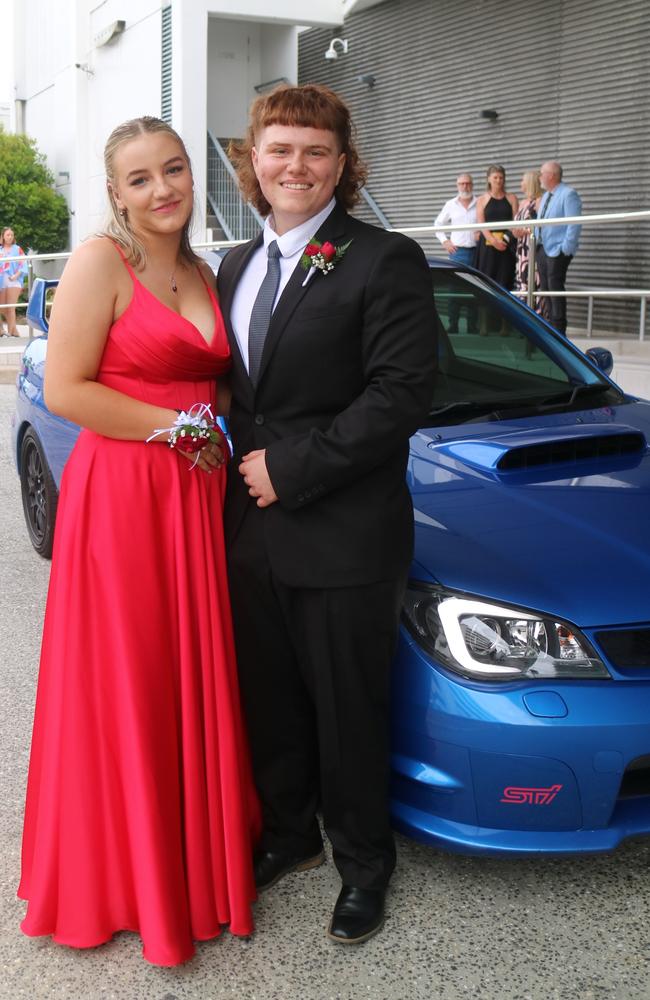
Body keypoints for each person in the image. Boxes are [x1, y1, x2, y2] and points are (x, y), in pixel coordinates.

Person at [18, 116, 260, 966]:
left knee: (182, 674)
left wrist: (222, 433)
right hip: (124, 495)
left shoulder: (205, 268)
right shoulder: (99, 262)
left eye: (175, 170)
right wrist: (182, 429)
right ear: (115, 193)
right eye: (140, 178)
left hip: (194, 497)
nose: (163, 190)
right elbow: (69, 391)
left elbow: (219, 384)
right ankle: (130, 879)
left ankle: (192, 860)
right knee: (131, 675)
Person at [218, 84, 436, 945]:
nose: (295, 166)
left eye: (315, 151)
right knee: (269, 699)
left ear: (341, 167)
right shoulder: (233, 265)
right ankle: (288, 836)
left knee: (350, 710)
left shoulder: (383, 259)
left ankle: (364, 865)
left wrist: (295, 468)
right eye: (279, 149)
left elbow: (402, 393)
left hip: (345, 532)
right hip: (251, 534)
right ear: (254, 161)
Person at [536, 160, 582, 335]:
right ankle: (549, 325)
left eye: (542, 173)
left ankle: (559, 329)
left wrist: (566, 248)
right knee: (545, 288)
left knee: (555, 287)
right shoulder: (547, 195)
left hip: (557, 250)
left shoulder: (568, 194)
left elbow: (574, 223)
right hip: (543, 248)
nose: (540, 177)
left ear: (552, 175)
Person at [434, 173, 478, 332]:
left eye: (467, 183)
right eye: (462, 184)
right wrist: (445, 241)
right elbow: (438, 224)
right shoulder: (450, 204)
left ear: (472, 185)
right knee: (454, 289)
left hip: (476, 252)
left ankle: (472, 326)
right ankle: (453, 325)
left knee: (474, 289)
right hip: (457, 252)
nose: (465, 186)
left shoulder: (480, 203)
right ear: (457, 185)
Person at [475, 164, 518, 291]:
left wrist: (504, 240)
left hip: (506, 244)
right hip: (488, 245)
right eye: (495, 178)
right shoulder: (482, 199)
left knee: (505, 280)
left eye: (501, 177)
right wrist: (494, 241)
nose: (498, 180)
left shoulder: (512, 198)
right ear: (488, 179)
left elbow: (516, 221)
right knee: (487, 281)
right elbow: (481, 224)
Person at [512, 169, 548, 318]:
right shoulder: (522, 202)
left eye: (523, 180)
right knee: (523, 282)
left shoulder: (540, 201)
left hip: (533, 247)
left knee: (535, 281)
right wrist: (517, 231)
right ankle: (525, 318)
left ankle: (538, 316)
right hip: (521, 249)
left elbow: (542, 225)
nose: (521, 183)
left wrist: (526, 230)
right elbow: (514, 226)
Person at [0, 227, 28, 336]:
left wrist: (16, 275)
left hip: (13, 280)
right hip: (1, 280)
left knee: (11, 307)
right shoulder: (0, 250)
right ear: (3, 236)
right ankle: (3, 330)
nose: (10, 237)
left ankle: (12, 331)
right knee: (1, 307)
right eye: (8, 235)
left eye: (11, 235)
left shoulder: (17, 249)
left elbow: (23, 263)